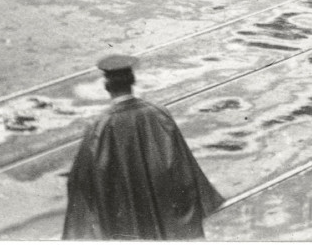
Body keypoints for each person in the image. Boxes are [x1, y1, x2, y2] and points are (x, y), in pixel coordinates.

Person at [62, 53, 223, 239]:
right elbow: (182, 167)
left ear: (107, 86)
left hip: (124, 212)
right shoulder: (158, 114)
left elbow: (82, 180)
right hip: (161, 204)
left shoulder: (101, 126)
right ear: (132, 81)